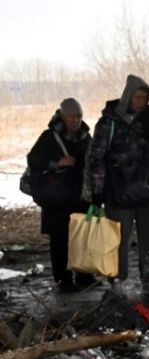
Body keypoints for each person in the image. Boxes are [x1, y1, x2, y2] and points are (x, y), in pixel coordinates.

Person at [88, 75, 149, 300]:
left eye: (144, 98)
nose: (141, 102)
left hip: (147, 188)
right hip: (117, 190)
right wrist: (97, 191)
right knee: (117, 239)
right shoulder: (109, 122)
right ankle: (116, 281)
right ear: (127, 96)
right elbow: (96, 158)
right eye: (137, 97)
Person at [26, 98, 96, 293]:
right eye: (71, 117)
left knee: (83, 236)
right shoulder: (49, 137)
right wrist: (57, 163)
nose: (76, 121)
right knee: (60, 241)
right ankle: (63, 281)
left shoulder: (85, 137)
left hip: (79, 196)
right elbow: (34, 159)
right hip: (57, 198)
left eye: (79, 116)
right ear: (62, 117)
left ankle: (85, 277)